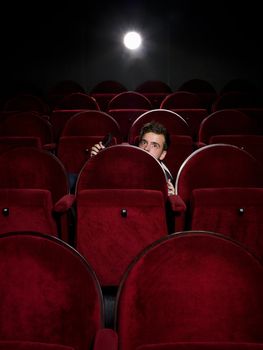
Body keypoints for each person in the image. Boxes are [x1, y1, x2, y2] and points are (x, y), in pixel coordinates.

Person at [90, 121, 175, 195]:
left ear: (163, 154)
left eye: (154, 145)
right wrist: (97, 161)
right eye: (144, 142)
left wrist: (169, 198)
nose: (146, 148)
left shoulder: (165, 179)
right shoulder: (128, 160)